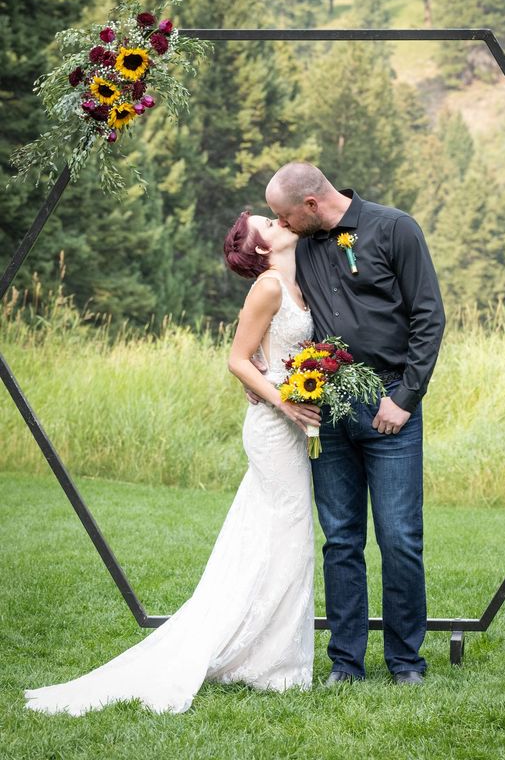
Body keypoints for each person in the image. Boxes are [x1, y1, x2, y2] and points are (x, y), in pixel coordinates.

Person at [23, 212, 321, 716]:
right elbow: (237, 359)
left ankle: (265, 654)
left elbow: (275, 353)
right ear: (261, 248)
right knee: (290, 533)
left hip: (291, 428)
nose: (278, 221)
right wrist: (285, 401)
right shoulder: (269, 287)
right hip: (273, 428)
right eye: (267, 224)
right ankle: (274, 665)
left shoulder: (296, 283)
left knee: (273, 534)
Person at [257, 161, 446, 686]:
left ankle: (405, 661)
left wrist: (404, 398)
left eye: (285, 216)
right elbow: (271, 301)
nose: (282, 224)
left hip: (391, 405)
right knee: (340, 539)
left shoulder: (395, 228)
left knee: (399, 537)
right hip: (329, 410)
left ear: (311, 204)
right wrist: (261, 366)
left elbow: (429, 316)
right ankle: (346, 662)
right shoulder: (300, 246)